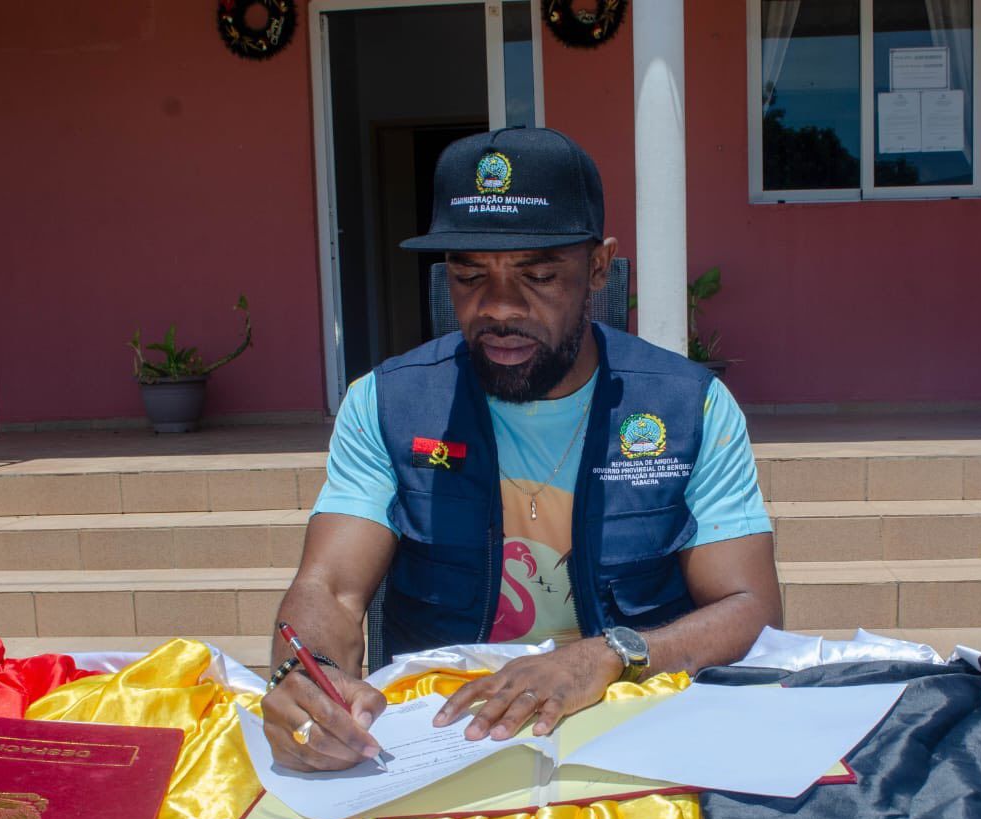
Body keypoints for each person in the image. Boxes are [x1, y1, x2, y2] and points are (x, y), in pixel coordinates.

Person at [263, 127, 780, 772]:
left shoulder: (686, 405)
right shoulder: (388, 403)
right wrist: (306, 676)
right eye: (469, 276)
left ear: (597, 267)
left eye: (537, 276)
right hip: (446, 737)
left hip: (634, 725)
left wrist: (608, 654)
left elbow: (748, 607)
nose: (500, 308)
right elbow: (331, 588)